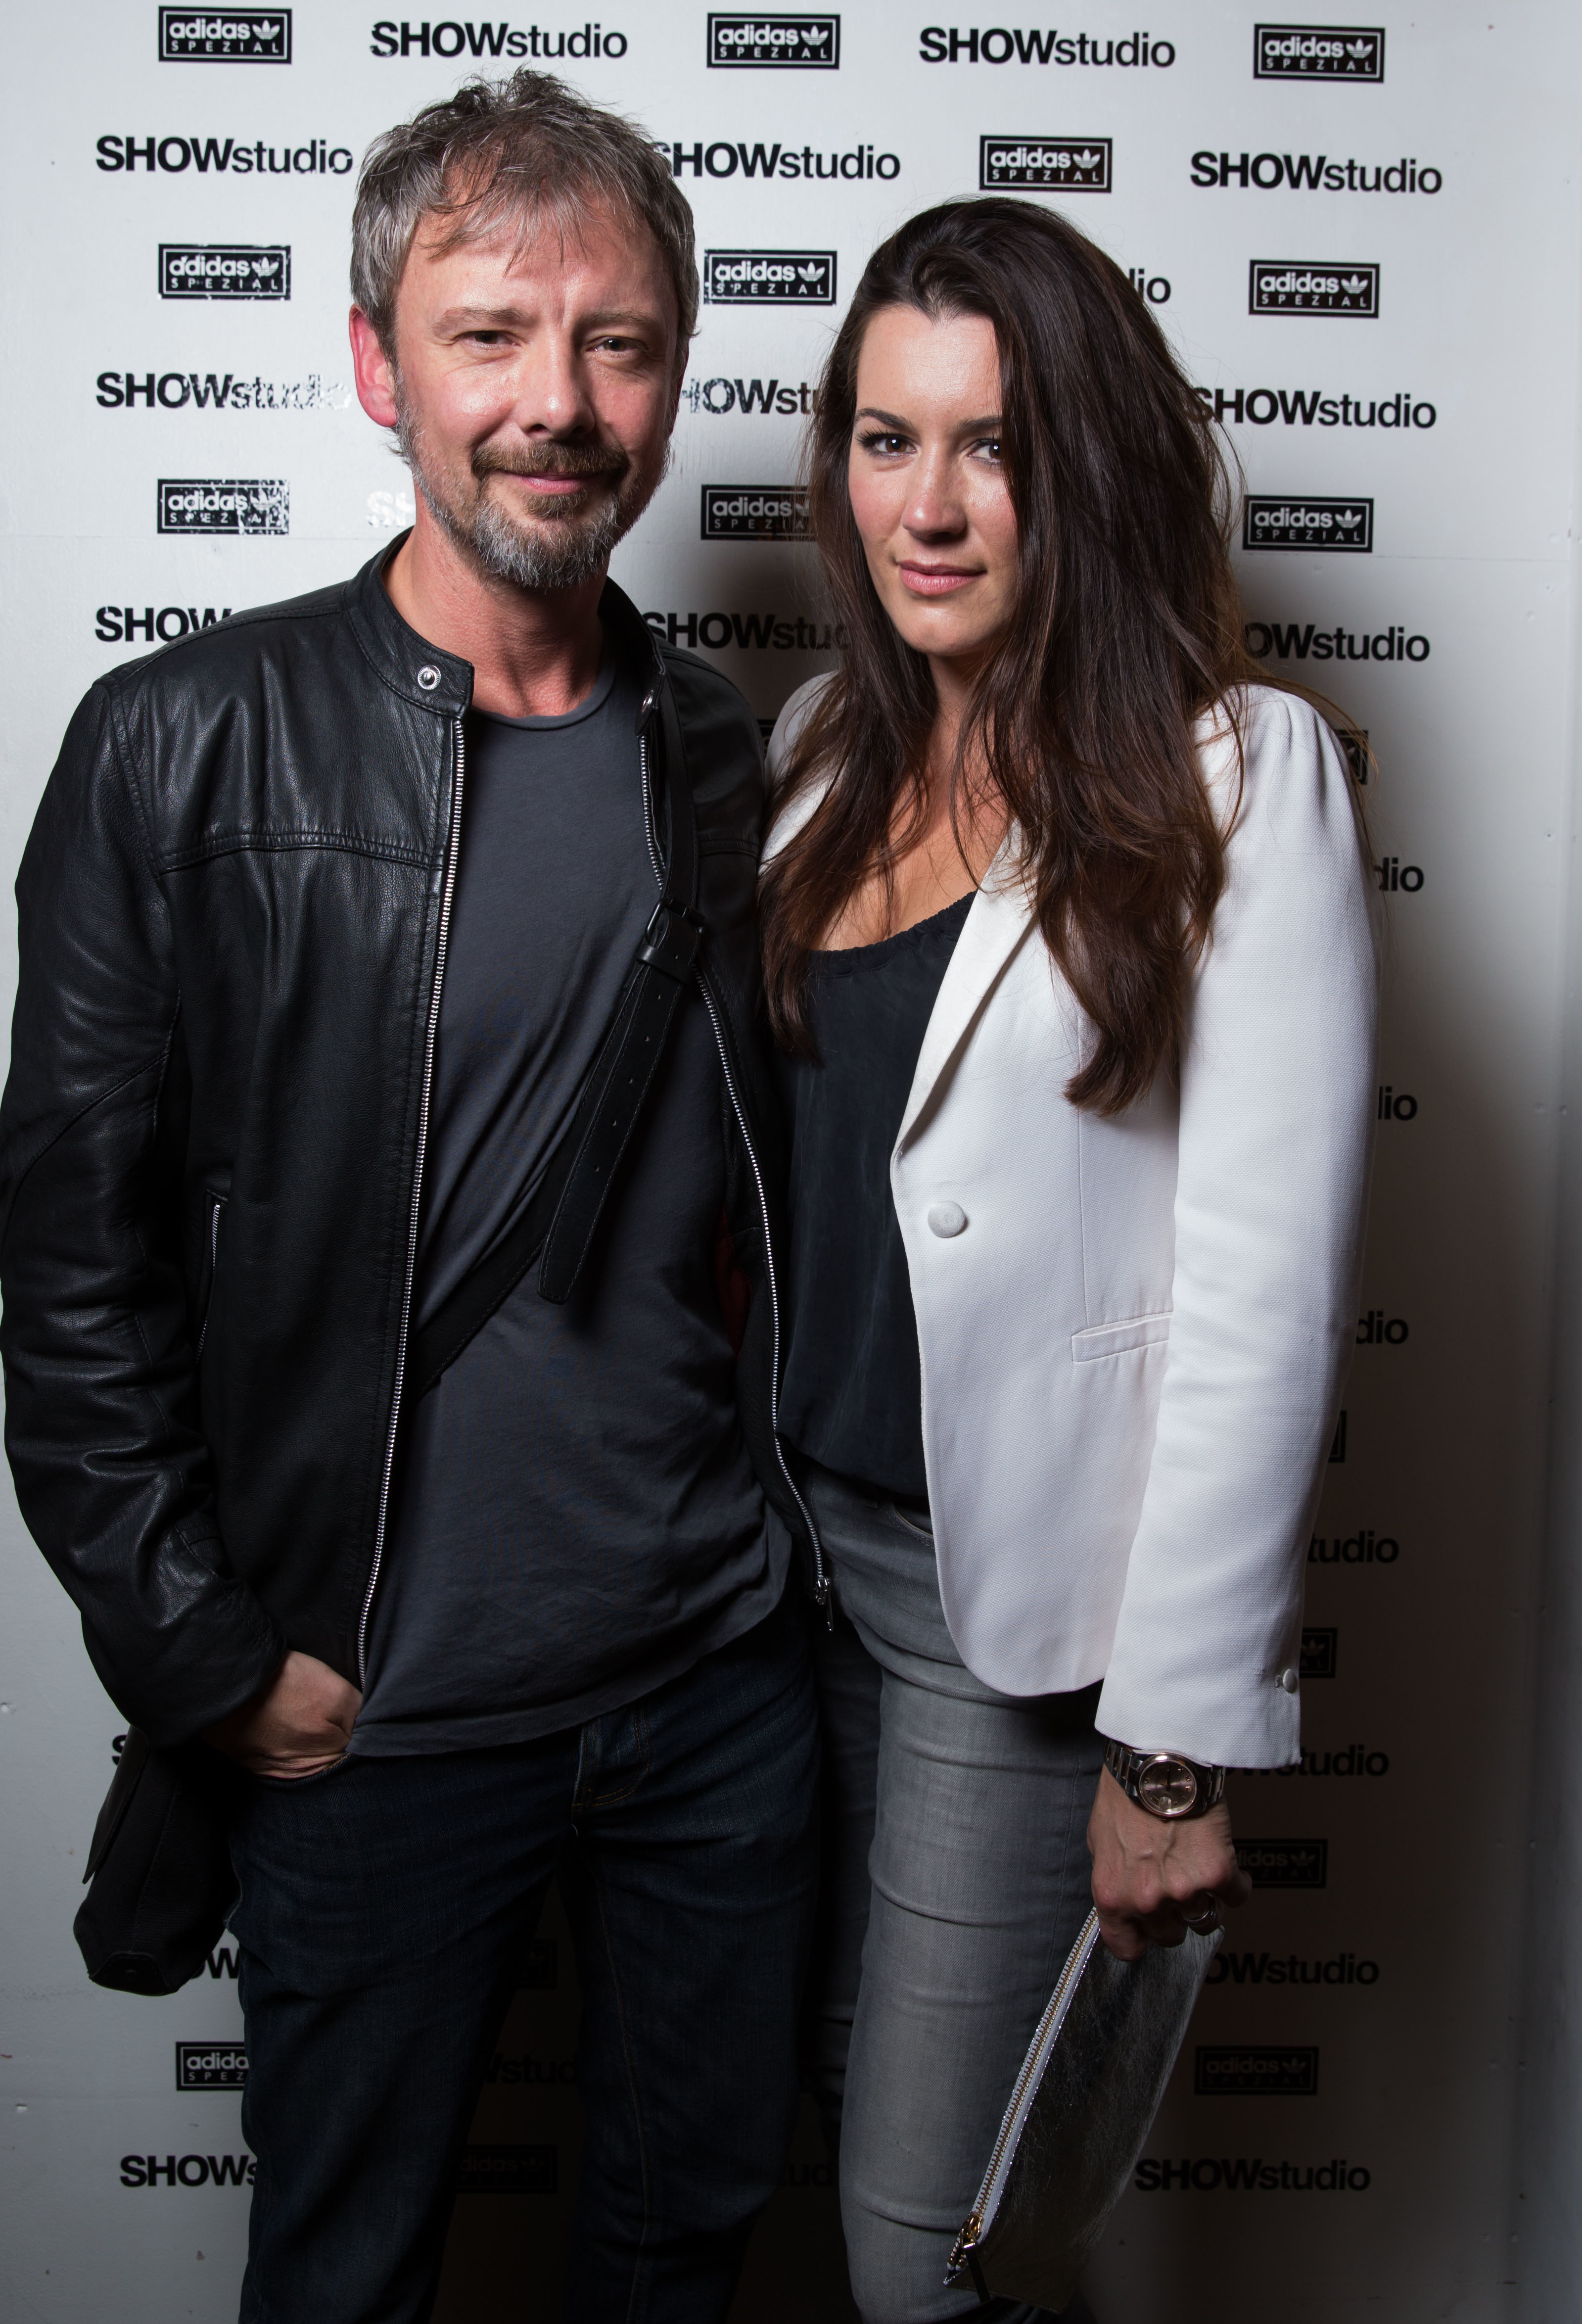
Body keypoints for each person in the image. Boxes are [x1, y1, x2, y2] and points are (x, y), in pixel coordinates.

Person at [0, 72, 821, 2323]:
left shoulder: (727, 755)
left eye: (618, 342)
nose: (558, 402)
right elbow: (69, 1273)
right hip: (371, 1717)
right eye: (489, 335)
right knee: (347, 2277)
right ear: (379, 365)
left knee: (684, 2247)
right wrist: (203, 1652)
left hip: (714, 1684)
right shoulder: (182, 743)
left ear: (671, 378)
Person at [760, 199, 1378, 2324]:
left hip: (1002, 1619)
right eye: (884, 438)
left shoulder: (1235, 776)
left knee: (920, 2247)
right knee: (826, 2120)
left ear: (1088, 466)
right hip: (778, 1576)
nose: (924, 506)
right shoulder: (817, 757)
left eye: (991, 446)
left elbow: (1261, 1300)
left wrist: (1168, 1746)